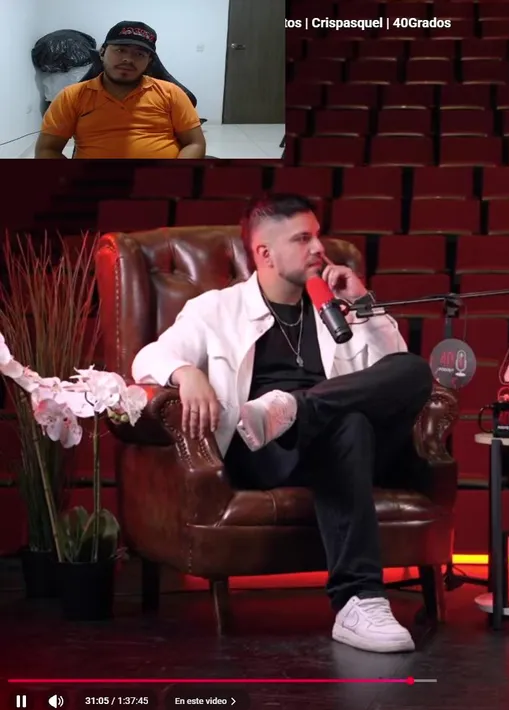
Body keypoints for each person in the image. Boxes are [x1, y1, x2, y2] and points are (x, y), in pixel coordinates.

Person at [131, 194, 437, 653]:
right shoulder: (216, 309)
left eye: (318, 236)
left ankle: (297, 407)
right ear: (265, 253)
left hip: (338, 447)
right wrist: (186, 373)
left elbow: (392, 369)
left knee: (412, 372)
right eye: (302, 239)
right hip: (265, 450)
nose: (319, 248)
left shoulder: (334, 306)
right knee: (350, 424)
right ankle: (359, 600)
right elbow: (147, 358)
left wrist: (362, 302)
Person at [36, 21, 205, 159]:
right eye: (120, 50)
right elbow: (47, 150)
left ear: (149, 61)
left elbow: (195, 143)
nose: (128, 59)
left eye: (139, 54)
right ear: (102, 53)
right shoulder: (71, 96)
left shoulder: (171, 93)